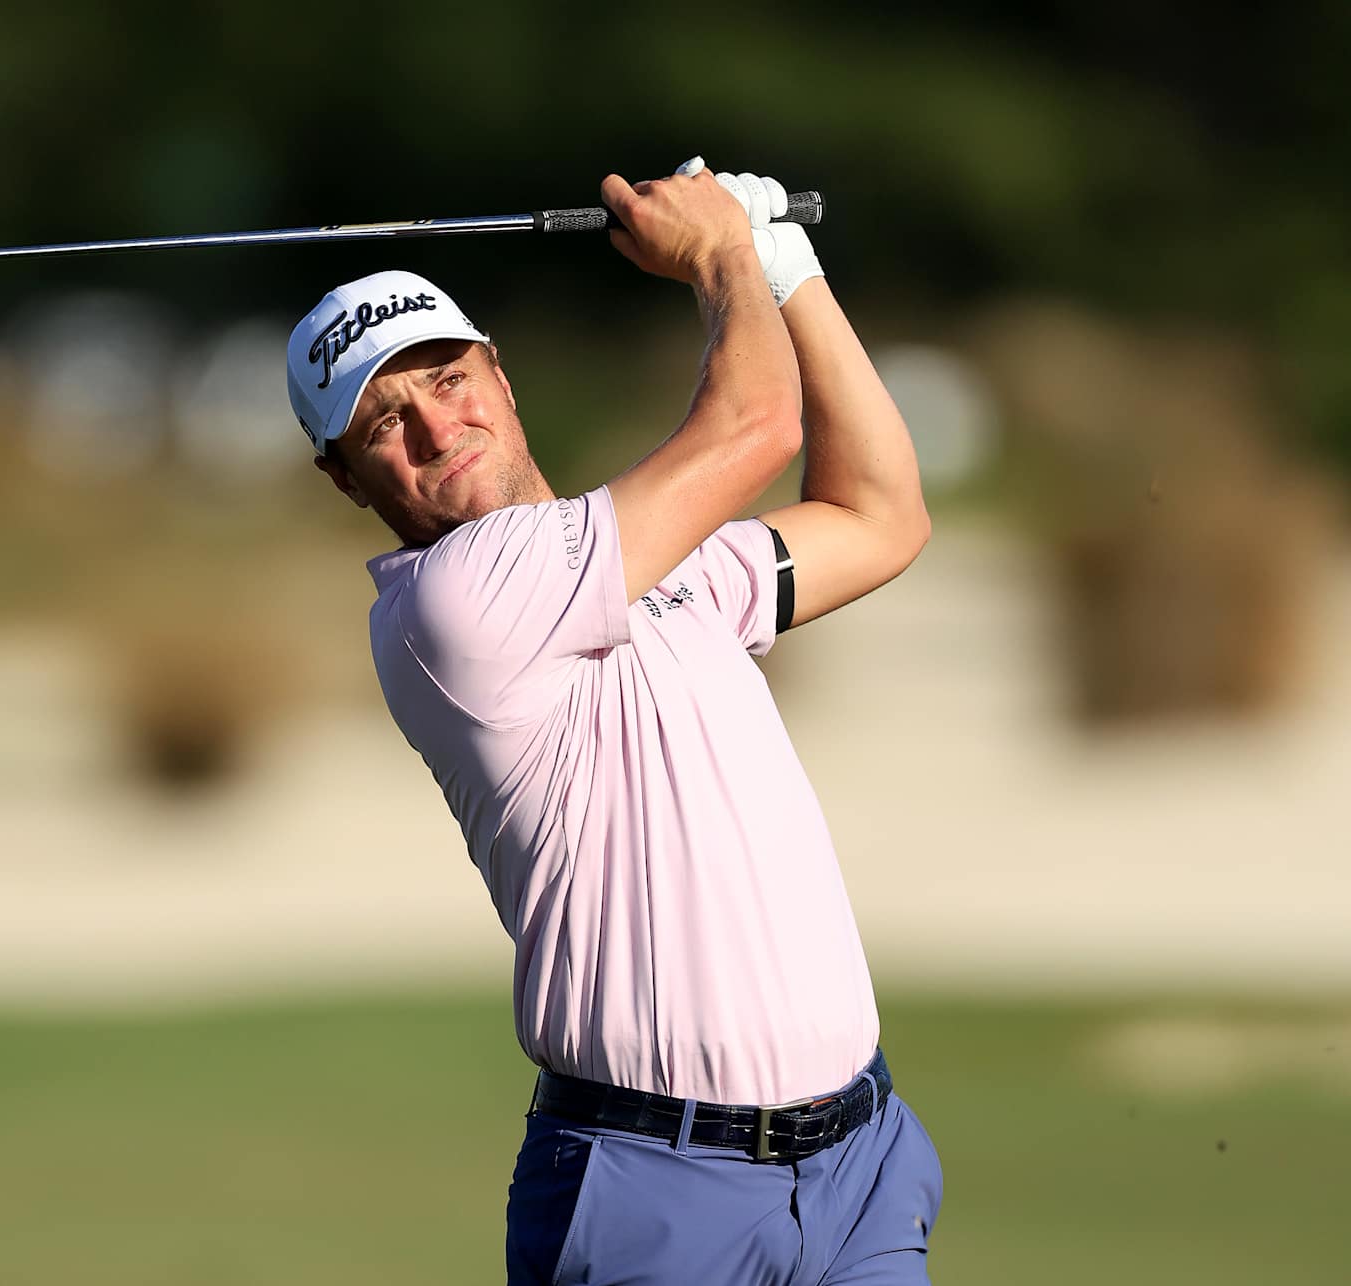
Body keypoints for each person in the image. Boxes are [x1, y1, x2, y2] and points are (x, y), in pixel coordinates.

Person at [284, 157, 941, 1285]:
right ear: (346, 477)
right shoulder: (454, 604)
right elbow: (757, 423)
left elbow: (879, 515)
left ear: (502, 374)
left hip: (856, 1165)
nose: (438, 427)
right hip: (657, 1190)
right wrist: (725, 252)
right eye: (385, 420)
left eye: (448, 377)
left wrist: (791, 269)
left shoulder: (658, 572)